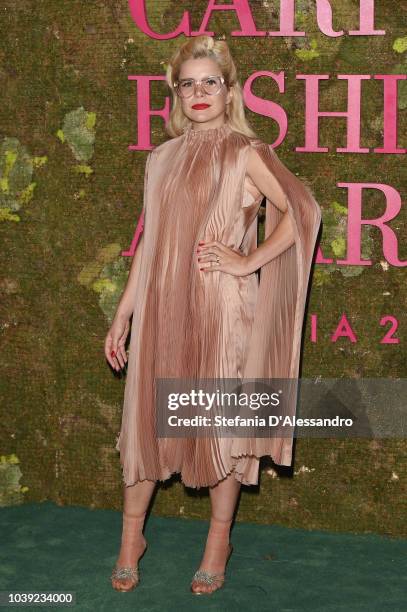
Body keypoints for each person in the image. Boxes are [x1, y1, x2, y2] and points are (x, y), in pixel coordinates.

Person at [104, 35, 322, 595]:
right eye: (188, 83)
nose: (199, 92)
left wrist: (248, 258)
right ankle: (132, 540)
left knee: (223, 430)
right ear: (176, 95)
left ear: (229, 91)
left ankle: (218, 543)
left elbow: (302, 213)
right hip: (161, 310)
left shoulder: (246, 152)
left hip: (224, 311)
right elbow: (149, 244)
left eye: (210, 82)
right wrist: (124, 313)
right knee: (150, 423)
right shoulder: (161, 159)